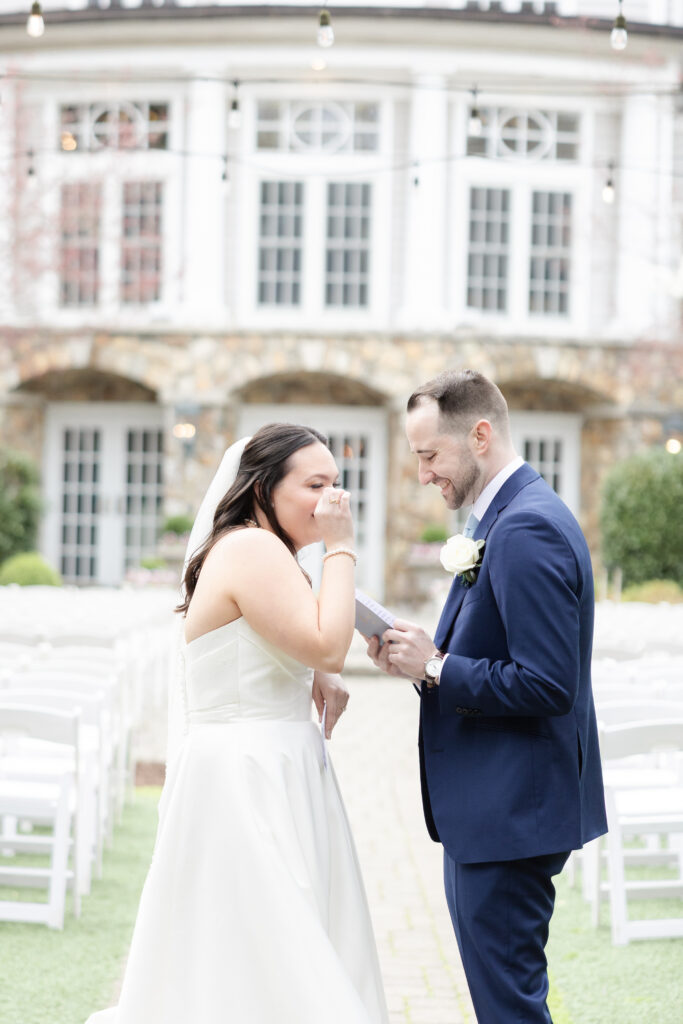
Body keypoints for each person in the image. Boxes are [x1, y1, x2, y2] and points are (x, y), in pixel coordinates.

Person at [86, 423, 389, 1024]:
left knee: (271, 946)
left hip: (280, 764)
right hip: (245, 778)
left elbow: (290, 647)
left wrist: (310, 675)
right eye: (315, 484)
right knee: (268, 950)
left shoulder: (269, 552)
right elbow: (329, 645)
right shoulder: (252, 548)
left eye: (337, 484)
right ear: (263, 487)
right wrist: (343, 546)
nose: (334, 499)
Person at [366, 370, 607, 1024]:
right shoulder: (503, 518)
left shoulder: (525, 527)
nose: (421, 475)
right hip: (493, 817)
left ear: (479, 435)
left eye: (428, 455)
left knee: (509, 1011)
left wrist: (440, 668)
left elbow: (547, 683)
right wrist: (421, 660)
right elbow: (497, 654)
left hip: (510, 817)